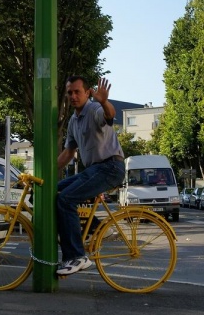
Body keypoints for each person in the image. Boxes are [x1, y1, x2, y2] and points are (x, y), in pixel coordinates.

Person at [56, 76, 125, 276]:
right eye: (70, 92)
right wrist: (45, 173)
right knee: (55, 188)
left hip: (110, 167)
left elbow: (109, 116)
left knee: (65, 199)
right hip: (94, 170)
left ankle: (77, 256)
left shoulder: (94, 109)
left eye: (77, 91)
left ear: (87, 93)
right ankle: (96, 227)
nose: (73, 96)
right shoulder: (73, 121)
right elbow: (68, 152)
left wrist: (103, 101)